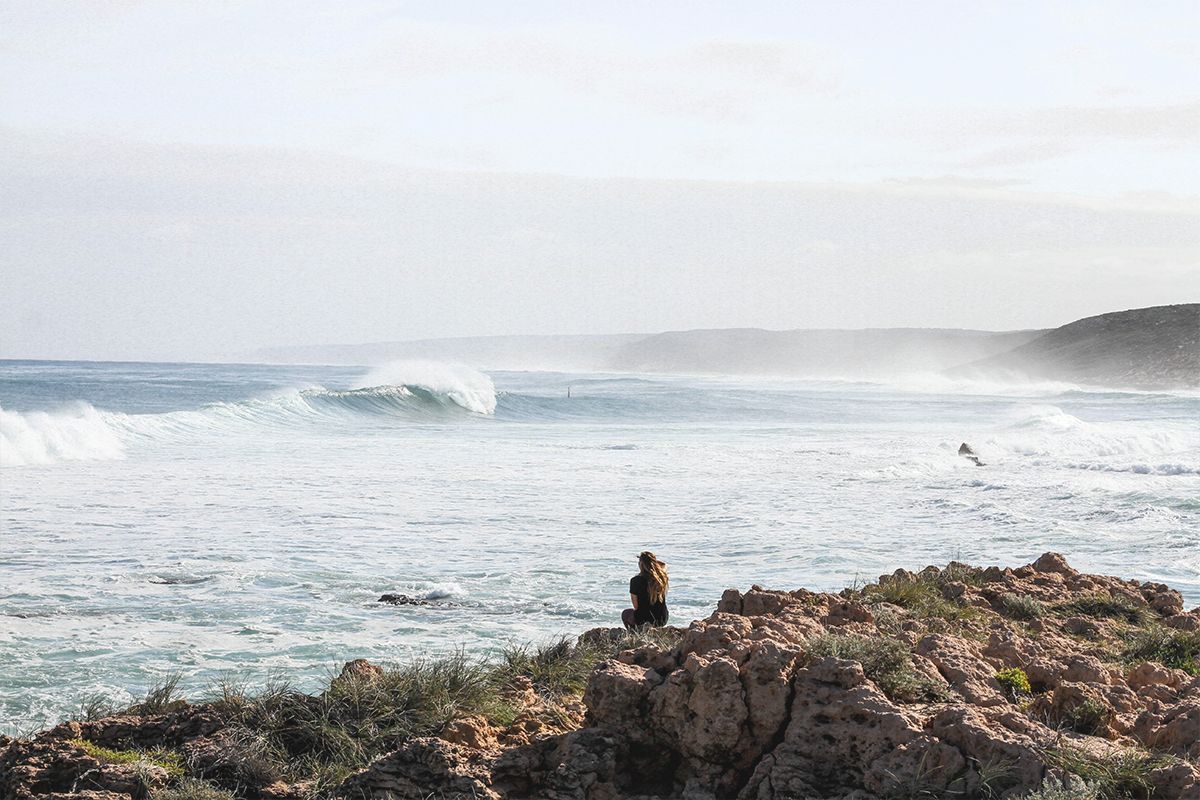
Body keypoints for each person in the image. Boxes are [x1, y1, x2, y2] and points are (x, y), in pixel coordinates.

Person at [621, 551, 669, 629]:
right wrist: (651, 561)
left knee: (625, 613)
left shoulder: (635, 580)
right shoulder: (660, 578)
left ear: (641, 564)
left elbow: (636, 606)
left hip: (644, 619)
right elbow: (664, 565)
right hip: (661, 619)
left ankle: (636, 633)